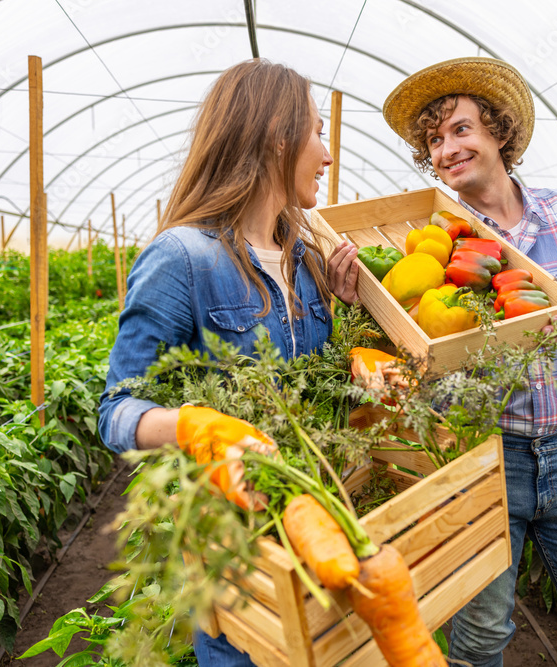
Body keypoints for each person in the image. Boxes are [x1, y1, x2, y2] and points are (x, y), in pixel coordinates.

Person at [328, 57, 557, 666]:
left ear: (500, 132)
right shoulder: (425, 238)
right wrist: (357, 301)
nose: (447, 149)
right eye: (434, 139)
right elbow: (398, 354)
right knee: (479, 643)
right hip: (477, 456)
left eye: (461, 130)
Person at [98, 58, 334, 666]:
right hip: (236, 557)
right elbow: (116, 411)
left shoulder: (308, 256)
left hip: (318, 533)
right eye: (318, 132)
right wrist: (193, 425)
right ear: (278, 138)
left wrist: (357, 324)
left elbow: (319, 391)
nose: (327, 153)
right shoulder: (182, 257)